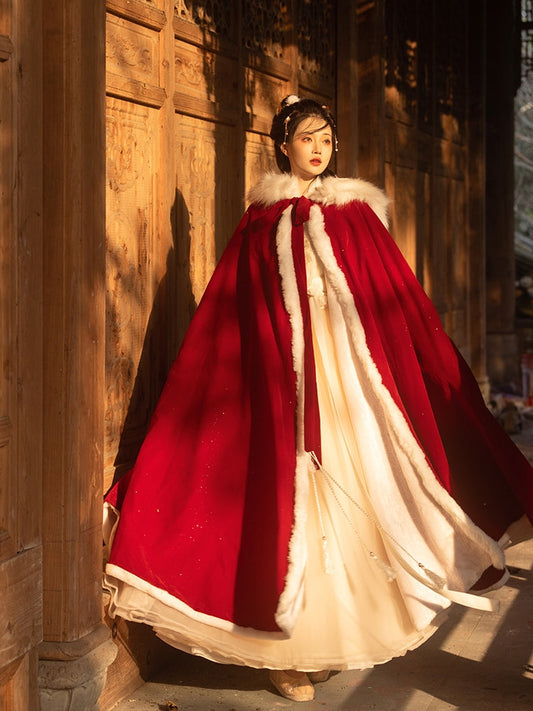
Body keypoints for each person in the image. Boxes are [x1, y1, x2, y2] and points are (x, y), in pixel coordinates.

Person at [104, 95, 533, 702]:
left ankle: (340, 631)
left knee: (363, 495)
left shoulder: (357, 214)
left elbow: (393, 302)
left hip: (349, 386)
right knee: (291, 505)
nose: (317, 147)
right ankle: (286, 656)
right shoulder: (261, 221)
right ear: (284, 145)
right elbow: (232, 315)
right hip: (283, 382)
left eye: (325, 138)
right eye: (306, 137)